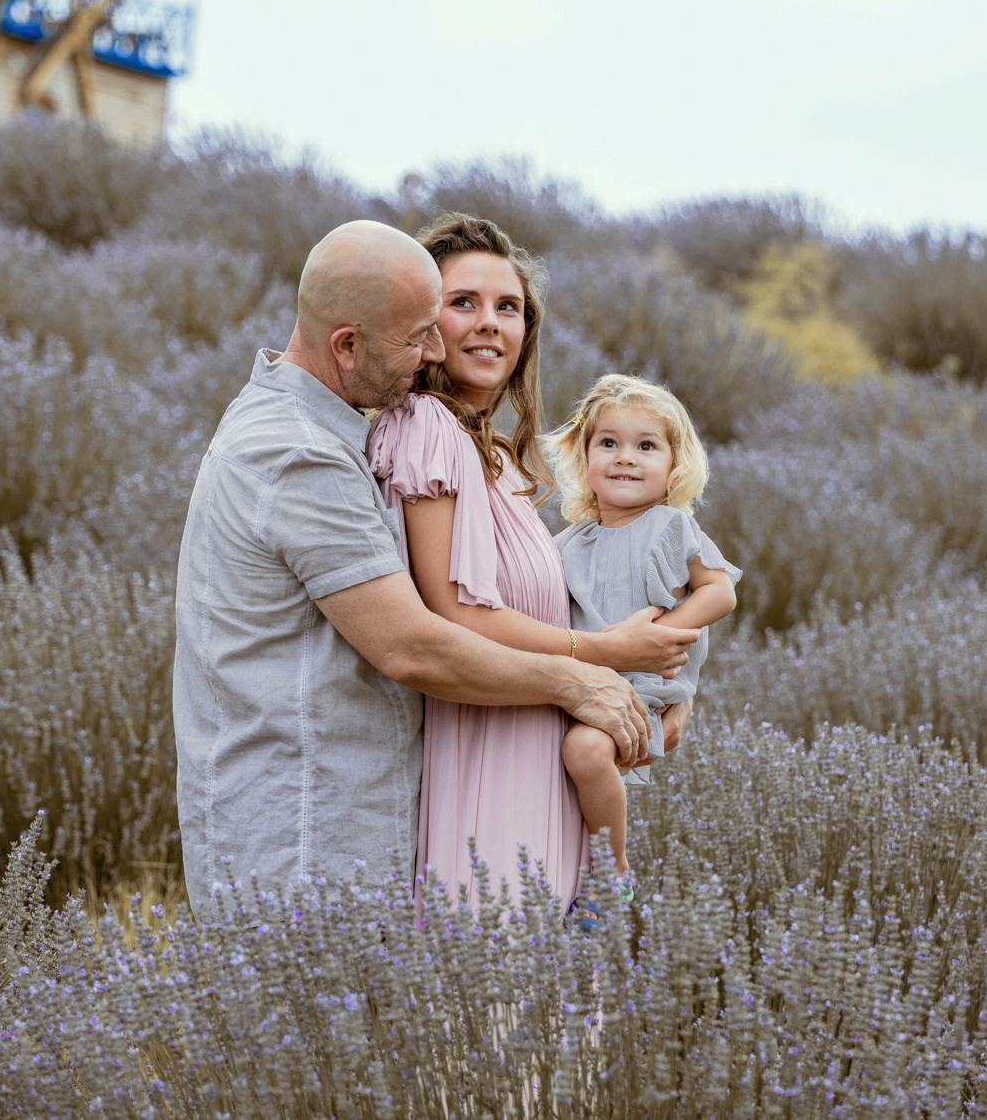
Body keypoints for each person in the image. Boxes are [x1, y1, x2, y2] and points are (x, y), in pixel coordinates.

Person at [172, 220, 653, 920]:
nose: (434, 351)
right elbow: (412, 644)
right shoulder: (296, 453)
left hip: (345, 832)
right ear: (347, 345)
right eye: (418, 335)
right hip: (300, 844)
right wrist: (582, 676)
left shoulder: (336, 435)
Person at [367, 217, 699, 908]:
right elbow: (458, 616)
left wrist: (659, 682)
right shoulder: (428, 429)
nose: (489, 323)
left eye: (507, 307)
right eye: (464, 303)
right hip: (491, 758)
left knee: (550, 1000)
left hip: (543, 754)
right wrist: (604, 651)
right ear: (424, 325)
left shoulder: (496, 461)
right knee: (502, 987)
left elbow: (558, 606)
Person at [547, 374, 741, 875]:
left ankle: (612, 871)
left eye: (646, 446)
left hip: (643, 685)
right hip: (583, 678)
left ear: (674, 467)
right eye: (608, 443)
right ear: (584, 459)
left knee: (586, 750)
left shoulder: (669, 527)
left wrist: (665, 635)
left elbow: (719, 591)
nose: (625, 457)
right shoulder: (572, 542)